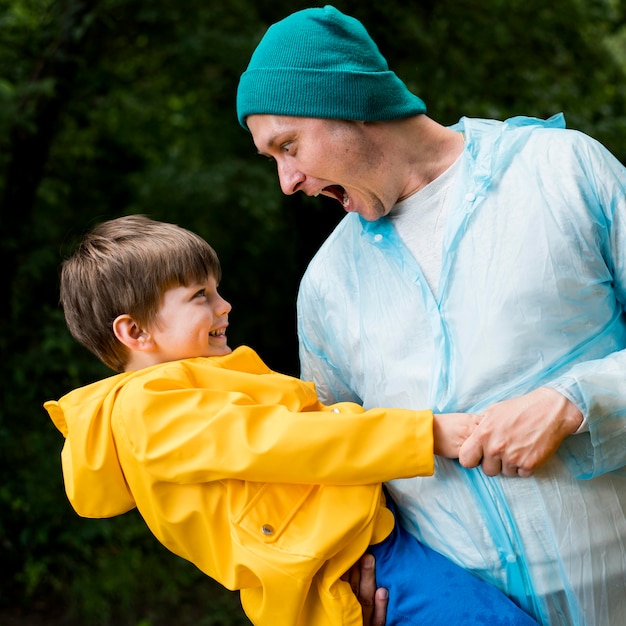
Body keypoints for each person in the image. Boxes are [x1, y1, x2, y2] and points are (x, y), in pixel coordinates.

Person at [235, 5, 626, 625]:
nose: (286, 181)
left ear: (349, 101)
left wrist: (576, 402)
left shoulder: (562, 170)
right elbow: (333, 462)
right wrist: (346, 584)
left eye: (288, 146)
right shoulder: (325, 287)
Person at [44, 215, 538, 626]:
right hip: (355, 569)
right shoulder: (148, 408)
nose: (224, 305)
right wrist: (422, 433)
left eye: (217, 290)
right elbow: (279, 441)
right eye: (200, 296)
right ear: (134, 331)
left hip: (361, 556)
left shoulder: (180, 394)